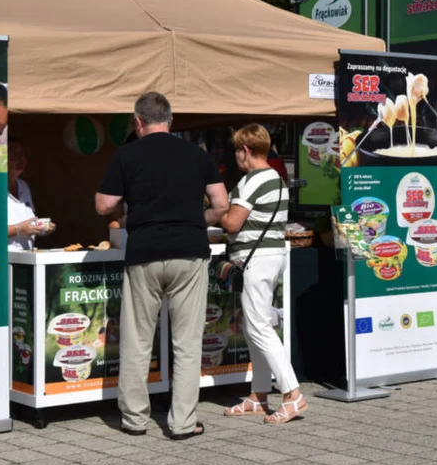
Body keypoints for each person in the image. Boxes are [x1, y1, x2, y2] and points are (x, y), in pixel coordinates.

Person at [95, 92, 229, 440]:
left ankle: (135, 420)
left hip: (145, 252)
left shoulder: (126, 154)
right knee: (187, 343)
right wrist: (195, 218)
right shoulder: (196, 155)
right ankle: (183, 423)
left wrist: (125, 210)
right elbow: (221, 203)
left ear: (138, 122)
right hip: (190, 251)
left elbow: (102, 205)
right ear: (170, 120)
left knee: (138, 340)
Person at [219, 124, 306, 424]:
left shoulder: (251, 181)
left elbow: (232, 223)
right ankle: (259, 395)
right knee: (255, 326)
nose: (235, 157)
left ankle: (292, 394)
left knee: (258, 327)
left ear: (245, 150)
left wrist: (218, 212)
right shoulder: (278, 180)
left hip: (256, 260)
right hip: (273, 256)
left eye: (236, 151)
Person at [7, 138, 55, 250]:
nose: (21, 159)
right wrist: (17, 230)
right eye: (13, 153)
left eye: (22, 154)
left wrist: (42, 228)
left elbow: (30, 223)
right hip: (3, 260)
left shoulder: (23, 186)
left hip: (26, 259)